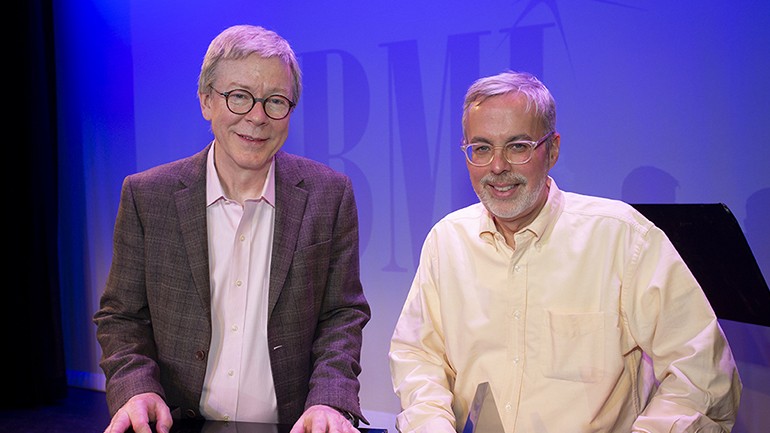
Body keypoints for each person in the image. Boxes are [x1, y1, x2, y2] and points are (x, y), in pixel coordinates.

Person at [388, 71, 742, 433]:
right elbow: (419, 355)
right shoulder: (447, 240)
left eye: (517, 146)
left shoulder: (622, 239)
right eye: (481, 148)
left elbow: (703, 374)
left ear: (552, 149)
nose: (497, 166)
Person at [94, 24, 371, 433]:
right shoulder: (146, 196)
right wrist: (136, 389)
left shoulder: (329, 194)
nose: (257, 117)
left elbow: (341, 314)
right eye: (239, 97)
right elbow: (121, 316)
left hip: (293, 425)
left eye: (276, 101)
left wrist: (331, 400)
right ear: (206, 101)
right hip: (178, 423)